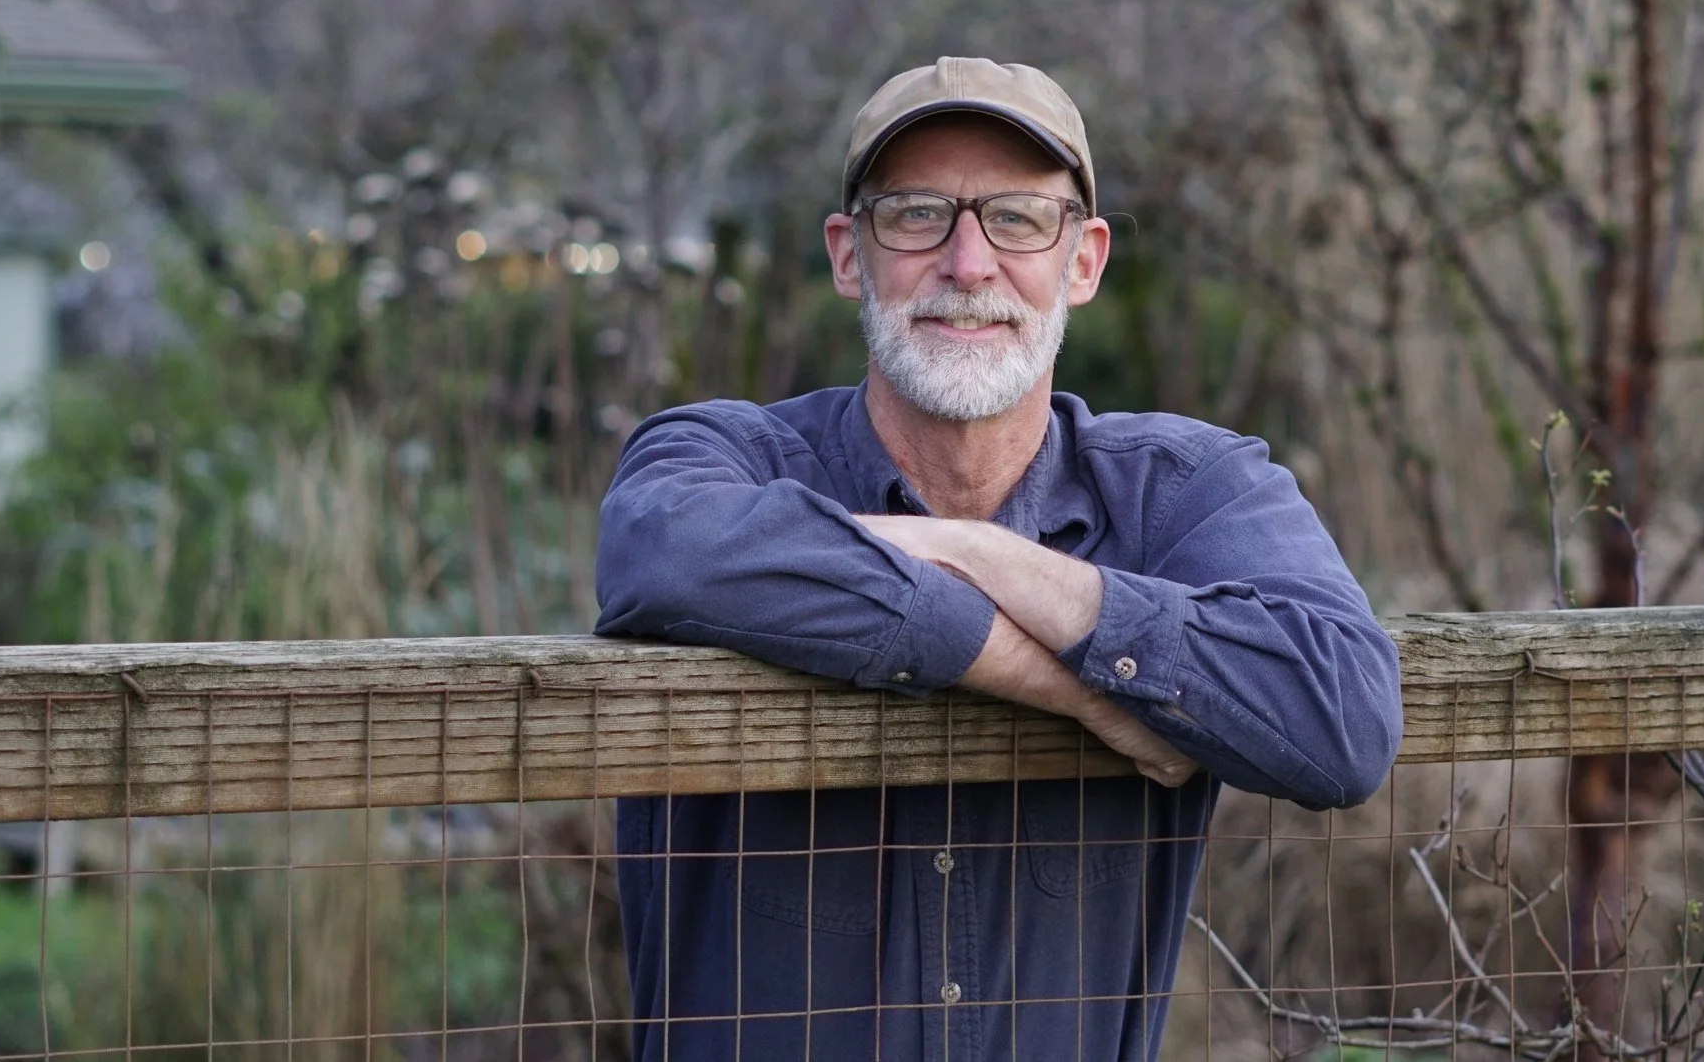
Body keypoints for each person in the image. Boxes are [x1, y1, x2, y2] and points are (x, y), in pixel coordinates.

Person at [595, 57, 1403, 1061]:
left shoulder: (1187, 492)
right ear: (850, 255)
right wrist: (1057, 680)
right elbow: (662, 553)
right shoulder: (723, 456)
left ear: (1084, 260)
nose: (968, 263)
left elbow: (1344, 722)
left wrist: (982, 554)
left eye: (1018, 218)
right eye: (918, 214)